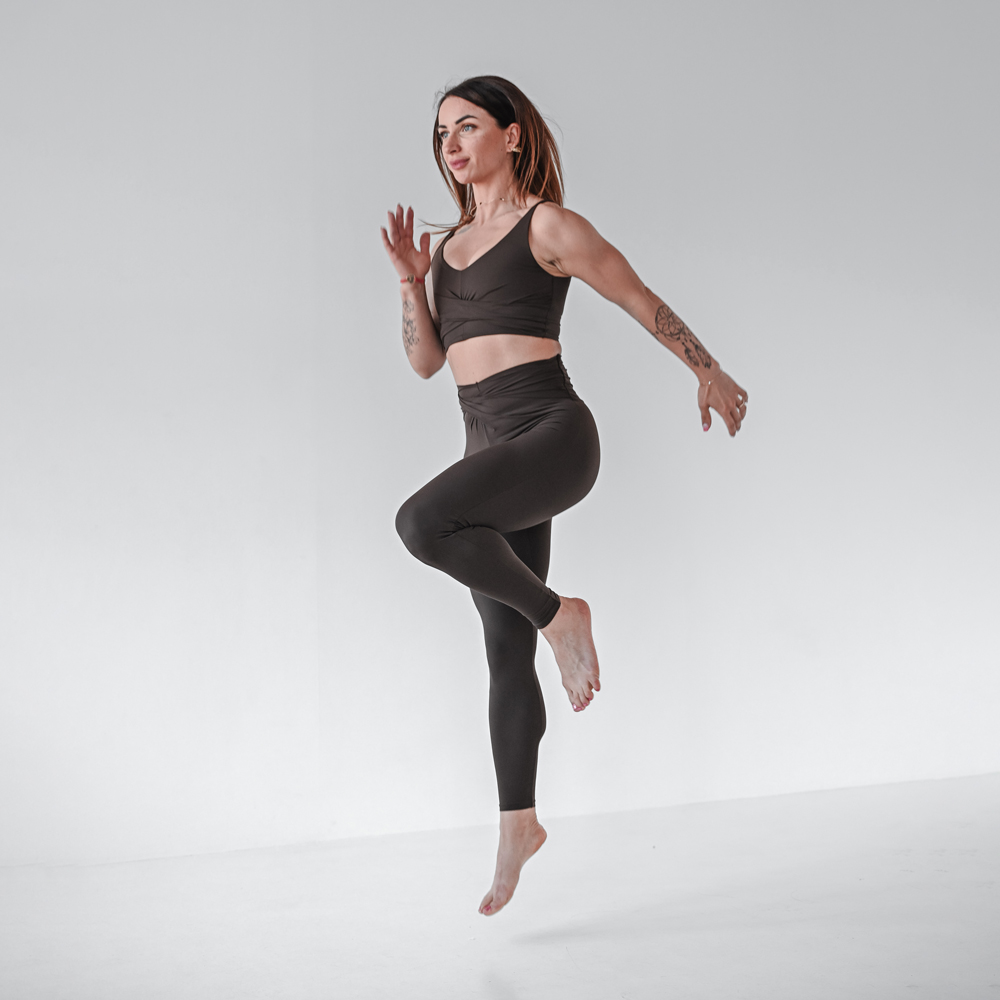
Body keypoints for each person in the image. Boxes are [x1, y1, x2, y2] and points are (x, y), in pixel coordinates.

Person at [380, 76, 747, 917]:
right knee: (503, 653)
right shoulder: (447, 248)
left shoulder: (547, 225)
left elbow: (634, 294)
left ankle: (562, 615)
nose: (451, 143)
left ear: (512, 135)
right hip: (488, 450)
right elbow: (426, 362)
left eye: (468, 126)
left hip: (552, 438)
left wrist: (707, 369)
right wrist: (408, 281)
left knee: (422, 522)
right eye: (441, 133)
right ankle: (520, 825)